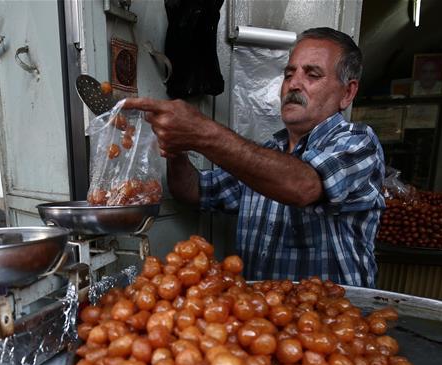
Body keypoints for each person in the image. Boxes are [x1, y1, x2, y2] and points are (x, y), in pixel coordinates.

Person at [124, 27, 385, 287]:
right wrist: (176, 147)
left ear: (347, 93)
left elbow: (303, 186)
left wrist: (202, 133)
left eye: (312, 75)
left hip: (334, 320)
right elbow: (194, 190)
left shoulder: (359, 143)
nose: (293, 84)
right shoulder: (269, 153)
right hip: (261, 319)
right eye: (288, 74)